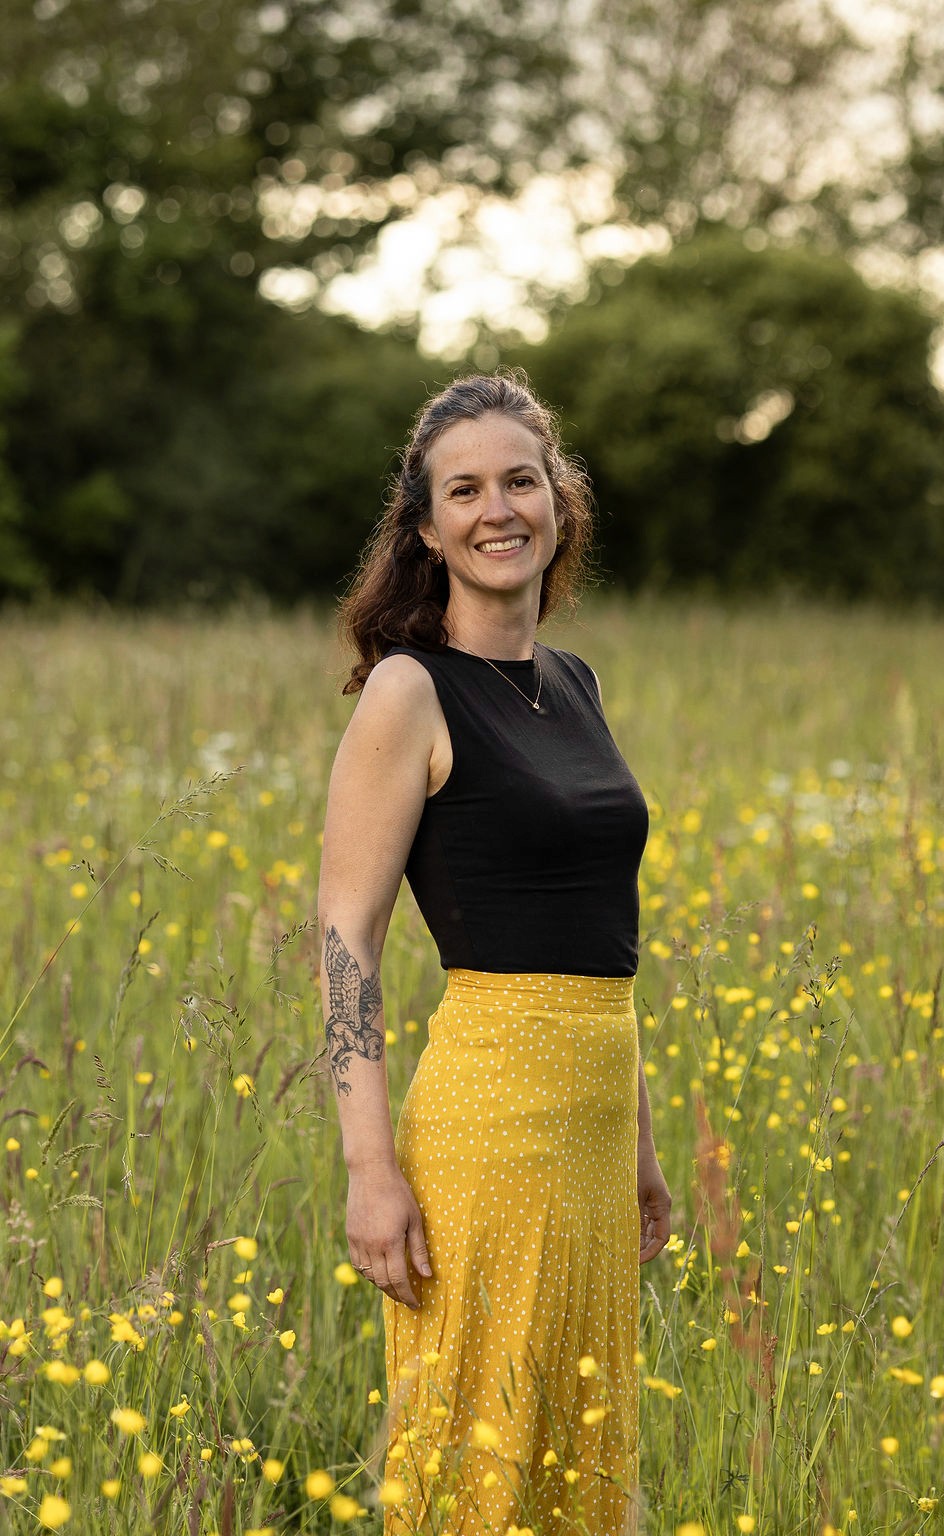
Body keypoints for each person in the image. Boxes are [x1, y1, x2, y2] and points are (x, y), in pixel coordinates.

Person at [318, 370, 672, 1536]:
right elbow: (346, 945)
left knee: (580, 1454)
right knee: (472, 1459)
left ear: (559, 501)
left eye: (520, 479)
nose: (497, 508)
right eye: (462, 490)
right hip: (485, 1120)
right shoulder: (408, 694)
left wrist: (641, 1145)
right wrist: (371, 1171)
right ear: (425, 529)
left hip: (588, 1128)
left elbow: (598, 936)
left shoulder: (576, 684)